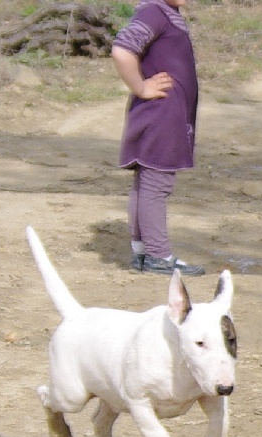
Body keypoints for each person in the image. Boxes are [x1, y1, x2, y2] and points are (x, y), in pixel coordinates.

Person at [111, 0, 205, 276]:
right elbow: (122, 51)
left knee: (146, 182)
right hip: (162, 116)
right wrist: (141, 87)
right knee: (157, 183)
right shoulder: (154, 12)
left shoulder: (165, 13)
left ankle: (142, 251)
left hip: (158, 114)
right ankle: (158, 256)